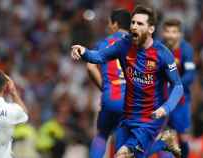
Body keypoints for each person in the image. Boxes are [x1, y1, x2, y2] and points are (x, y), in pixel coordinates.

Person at [71, 5, 184, 158]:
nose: (134, 27)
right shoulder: (124, 45)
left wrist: (166, 108)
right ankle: (164, 143)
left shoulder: (163, 54)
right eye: (133, 23)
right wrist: (83, 51)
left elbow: (177, 85)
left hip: (150, 118)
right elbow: (98, 57)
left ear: (151, 29)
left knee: (122, 155)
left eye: (140, 24)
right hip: (128, 115)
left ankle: (163, 143)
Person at [148, 18, 196, 158]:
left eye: (174, 32)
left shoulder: (186, 50)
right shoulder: (157, 48)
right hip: (159, 99)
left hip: (180, 100)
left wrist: (174, 83)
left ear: (180, 34)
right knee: (155, 133)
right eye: (167, 31)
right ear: (163, 33)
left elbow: (191, 74)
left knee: (182, 137)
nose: (170, 35)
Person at [87, 9, 130, 158]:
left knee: (102, 134)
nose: (109, 27)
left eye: (109, 23)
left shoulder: (104, 43)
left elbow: (90, 66)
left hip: (110, 95)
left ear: (115, 24)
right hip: (130, 99)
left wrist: (104, 87)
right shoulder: (138, 44)